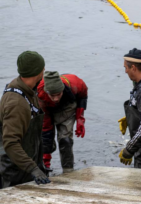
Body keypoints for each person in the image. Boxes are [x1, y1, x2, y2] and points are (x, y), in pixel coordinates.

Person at [0, 51, 51, 188]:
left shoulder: (28, 91)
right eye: (43, 68)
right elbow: (10, 143)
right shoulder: (17, 103)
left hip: (27, 168)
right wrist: (33, 169)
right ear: (37, 72)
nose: (44, 71)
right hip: (15, 174)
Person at [37, 71, 88, 173]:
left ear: (63, 90)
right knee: (44, 139)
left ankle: (68, 170)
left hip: (67, 108)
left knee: (65, 140)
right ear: (47, 92)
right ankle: (44, 167)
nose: (56, 98)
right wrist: (46, 157)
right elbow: (46, 127)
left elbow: (83, 96)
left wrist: (80, 119)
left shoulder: (75, 84)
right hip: (48, 110)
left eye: (58, 94)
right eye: (53, 95)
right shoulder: (40, 96)